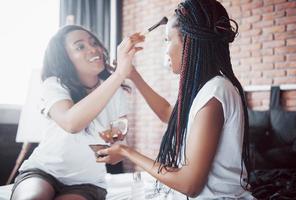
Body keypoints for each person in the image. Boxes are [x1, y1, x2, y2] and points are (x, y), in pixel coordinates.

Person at [97, 0, 255, 199]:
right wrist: (133, 75)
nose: (166, 50)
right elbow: (168, 113)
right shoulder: (206, 89)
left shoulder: (215, 92)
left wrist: (127, 152)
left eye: (167, 40)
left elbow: (189, 185)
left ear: (189, 42)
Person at [10, 25, 144, 200]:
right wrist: (119, 74)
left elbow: (117, 147)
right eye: (80, 47)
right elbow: (71, 123)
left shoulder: (116, 92)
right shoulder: (54, 85)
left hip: (86, 183)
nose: (93, 49)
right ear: (65, 58)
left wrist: (115, 152)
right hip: (43, 171)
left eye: (94, 43)